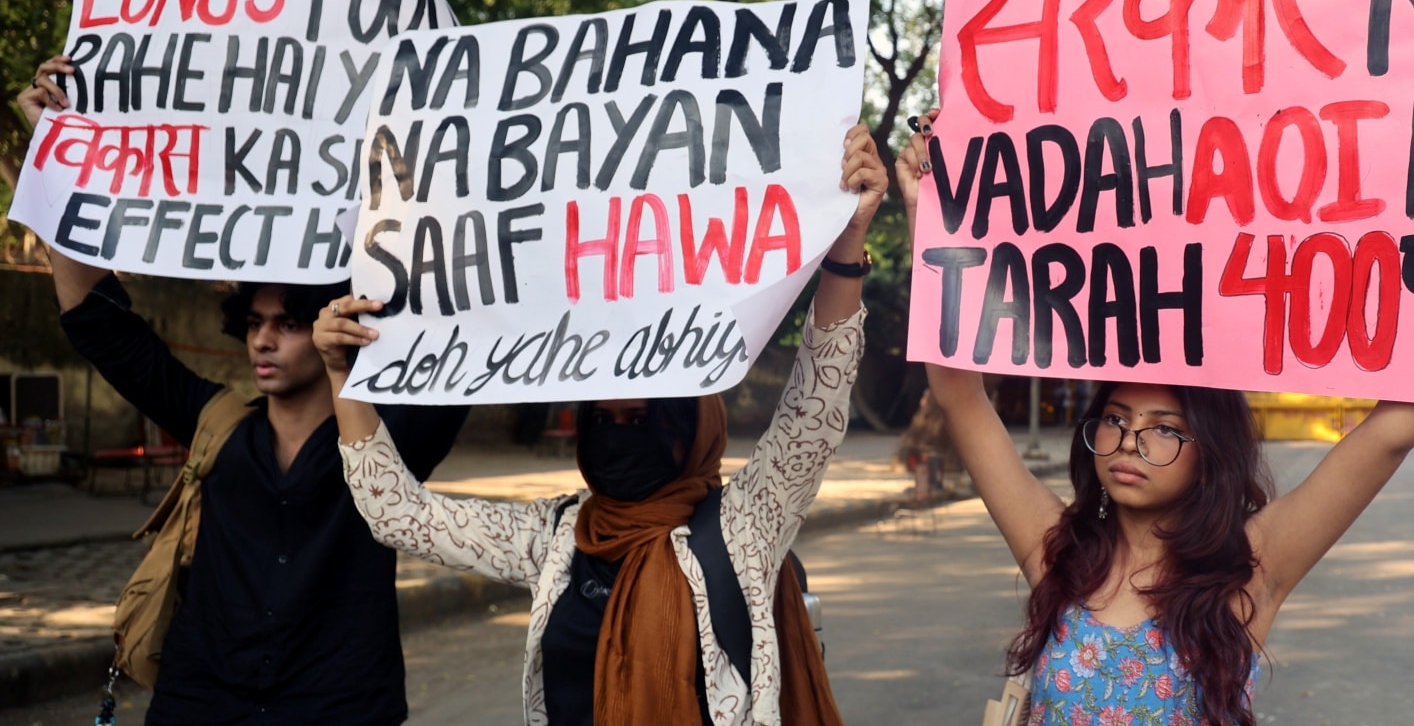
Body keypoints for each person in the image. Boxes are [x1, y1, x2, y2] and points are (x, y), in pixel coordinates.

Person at [894, 109, 1414, 725]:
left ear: (1210, 452)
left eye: (1164, 429)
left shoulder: (1251, 569)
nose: (1130, 440)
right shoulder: (1056, 554)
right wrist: (935, 220)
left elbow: (1393, 430)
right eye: (1115, 419)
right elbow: (962, 395)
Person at [313, 122, 888, 725]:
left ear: (692, 426)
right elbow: (398, 513)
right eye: (604, 420)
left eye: (640, 419)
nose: (620, 435)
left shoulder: (747, 524)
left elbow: (814, 410)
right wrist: (341, 374)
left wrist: (848, 243)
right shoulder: (559, 537)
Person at [19, 55, 468, 723]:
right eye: (255, 323)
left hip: (338, 707)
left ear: (335, 317)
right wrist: (52, 152)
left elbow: (471, 324)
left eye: (287, 324)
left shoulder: (394, 440)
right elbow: (100, 322)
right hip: (200, 703)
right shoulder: (216, 422)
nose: (263, 341)